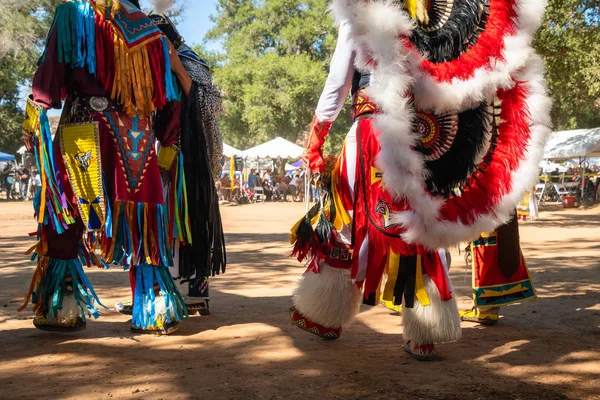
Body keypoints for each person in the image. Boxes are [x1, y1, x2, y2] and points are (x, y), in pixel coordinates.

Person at [289, 0, 551, 360]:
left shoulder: (361, 11)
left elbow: (338, 79)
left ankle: (327, 314)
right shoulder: (431, 21)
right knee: (419, 223)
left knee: (347, 218)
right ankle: (426, 331)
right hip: (419, 135)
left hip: (372, 132)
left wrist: (317, 136)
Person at [19, 0, 193, 334]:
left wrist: (33, 117)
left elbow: (51, 74)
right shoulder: (151, 31)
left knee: (66, 213)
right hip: (137, 140)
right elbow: (169, 99)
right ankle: (153, 307)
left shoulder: (76, 14)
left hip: (85, 130)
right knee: (142, 223)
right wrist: (169, 144)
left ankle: (62, 309)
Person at [149, 11, 226, 316]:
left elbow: (212, 106)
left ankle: (197, 291)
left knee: (195, 219)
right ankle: (156, 289)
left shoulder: (189, 60)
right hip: (158, 155)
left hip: (191, 158)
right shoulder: (143, 66)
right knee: (158, 223)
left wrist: (179, 69)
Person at [461, 216, 536, 324]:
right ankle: (488, 310)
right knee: (494, 258)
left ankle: (486, 311)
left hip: (488, 224)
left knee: (487, 263)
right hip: (499, 223)